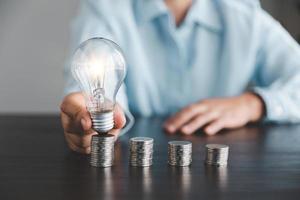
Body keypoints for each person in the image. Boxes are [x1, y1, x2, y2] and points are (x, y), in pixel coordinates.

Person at [61, 0, 300, 154]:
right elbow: (88, 86)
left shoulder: (245, 15)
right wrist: (89, 112)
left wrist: (253, 104)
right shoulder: (105, 9)